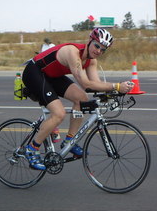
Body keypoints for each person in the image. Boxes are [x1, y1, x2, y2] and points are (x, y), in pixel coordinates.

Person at [22, 28, 134, 170]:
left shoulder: (91, 61)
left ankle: (70, 140)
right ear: (89, 41)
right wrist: (117, 86)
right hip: (35, 72)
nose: (99, 51)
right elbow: (86, 84)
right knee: (59, 113)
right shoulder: (73, 52)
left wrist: (112, 93)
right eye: (97, 45)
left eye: (103, 49)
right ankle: (31, 149)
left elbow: (95, 85)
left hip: (52, 77)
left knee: (82, 98)